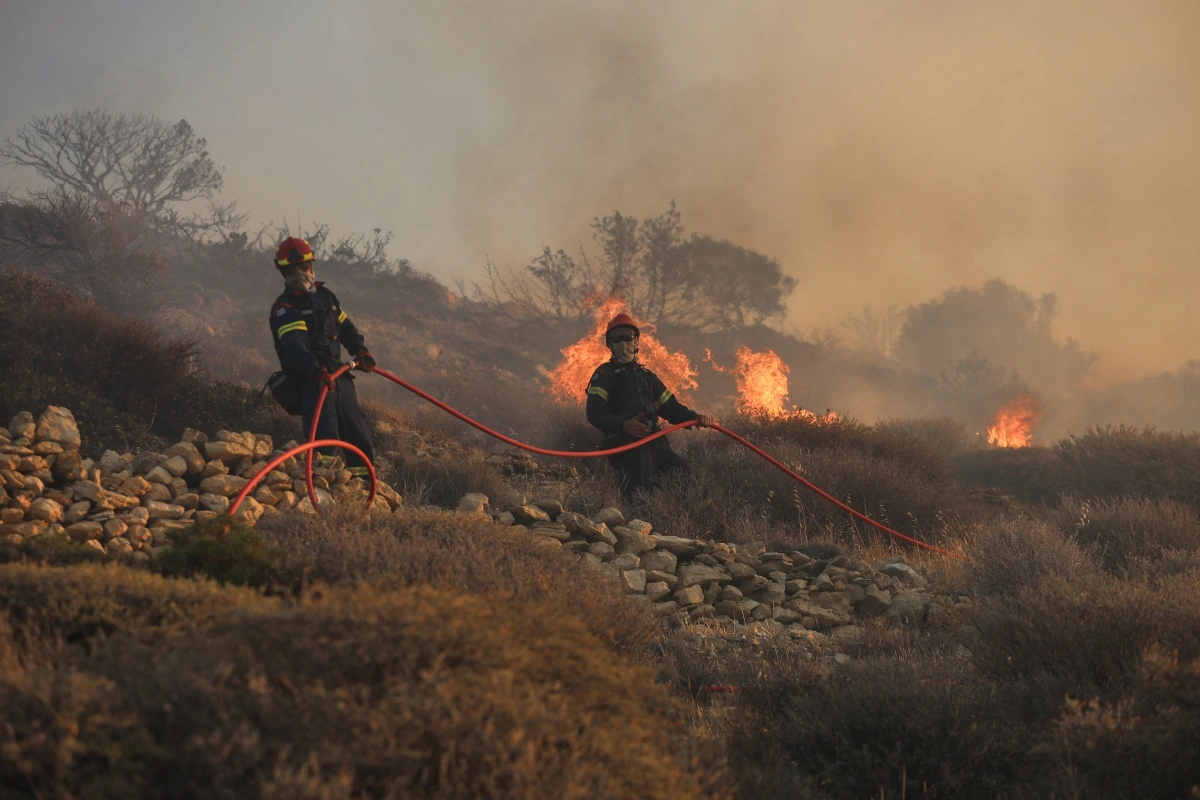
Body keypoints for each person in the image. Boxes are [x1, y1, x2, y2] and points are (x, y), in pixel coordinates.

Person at [268, 236, 376, 479]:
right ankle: (321, 486)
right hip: (313, 381)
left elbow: (345, 327)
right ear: (283, 272)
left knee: (358, 435)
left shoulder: (326, 297)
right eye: (292, 269)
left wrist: (361, 350)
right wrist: (315, 370)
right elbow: (295, 347)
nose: (300, 272)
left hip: (340, 374)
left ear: (311, 265)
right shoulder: (285, 307)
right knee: (325, 441)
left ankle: (364, 488)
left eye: (303, 266)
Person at [585, 312, 713, 501]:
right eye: (616, 338)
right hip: (629, 449)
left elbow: (671, 408)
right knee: (641, 503)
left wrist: (696, 418)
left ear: (636, 341)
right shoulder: (605, 374)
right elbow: (594, 412)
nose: (622, 343)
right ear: (610, 344)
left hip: (657, 446)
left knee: (693, 489)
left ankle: (704, 526)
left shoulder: (648, 377)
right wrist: (623, 425)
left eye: (627, 337)